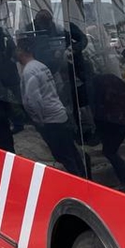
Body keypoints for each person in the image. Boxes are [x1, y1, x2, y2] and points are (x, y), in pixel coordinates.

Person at [16, 37, 86, 177]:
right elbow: (56, 87)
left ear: (22, 51)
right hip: (59, 114)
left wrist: (38, 119)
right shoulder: (41, 66)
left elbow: (33, 100)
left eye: (17, 49)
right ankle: (84, 178)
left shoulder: (29, 71)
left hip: (50, 120)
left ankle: (78, 182)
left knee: (64, 156)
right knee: (71, 152)